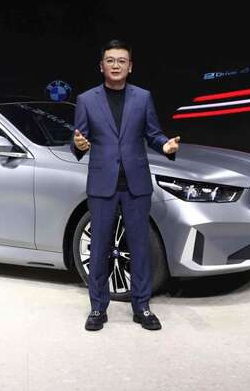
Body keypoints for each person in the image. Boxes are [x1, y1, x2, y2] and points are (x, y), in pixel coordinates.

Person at [71, 39, 180, 331]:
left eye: (121, 60)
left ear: (130, 66)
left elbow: (153, 134)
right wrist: (78, 144)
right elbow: (79, 140)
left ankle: (142, 306)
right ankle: (98, 308)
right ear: (101, 66)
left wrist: (165, 146)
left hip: (136, 185)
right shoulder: (86, 100)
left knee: (140, 247)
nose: (116, 65)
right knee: (99, 248)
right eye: (110, 60)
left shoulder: (142, 97)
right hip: (102, 184)